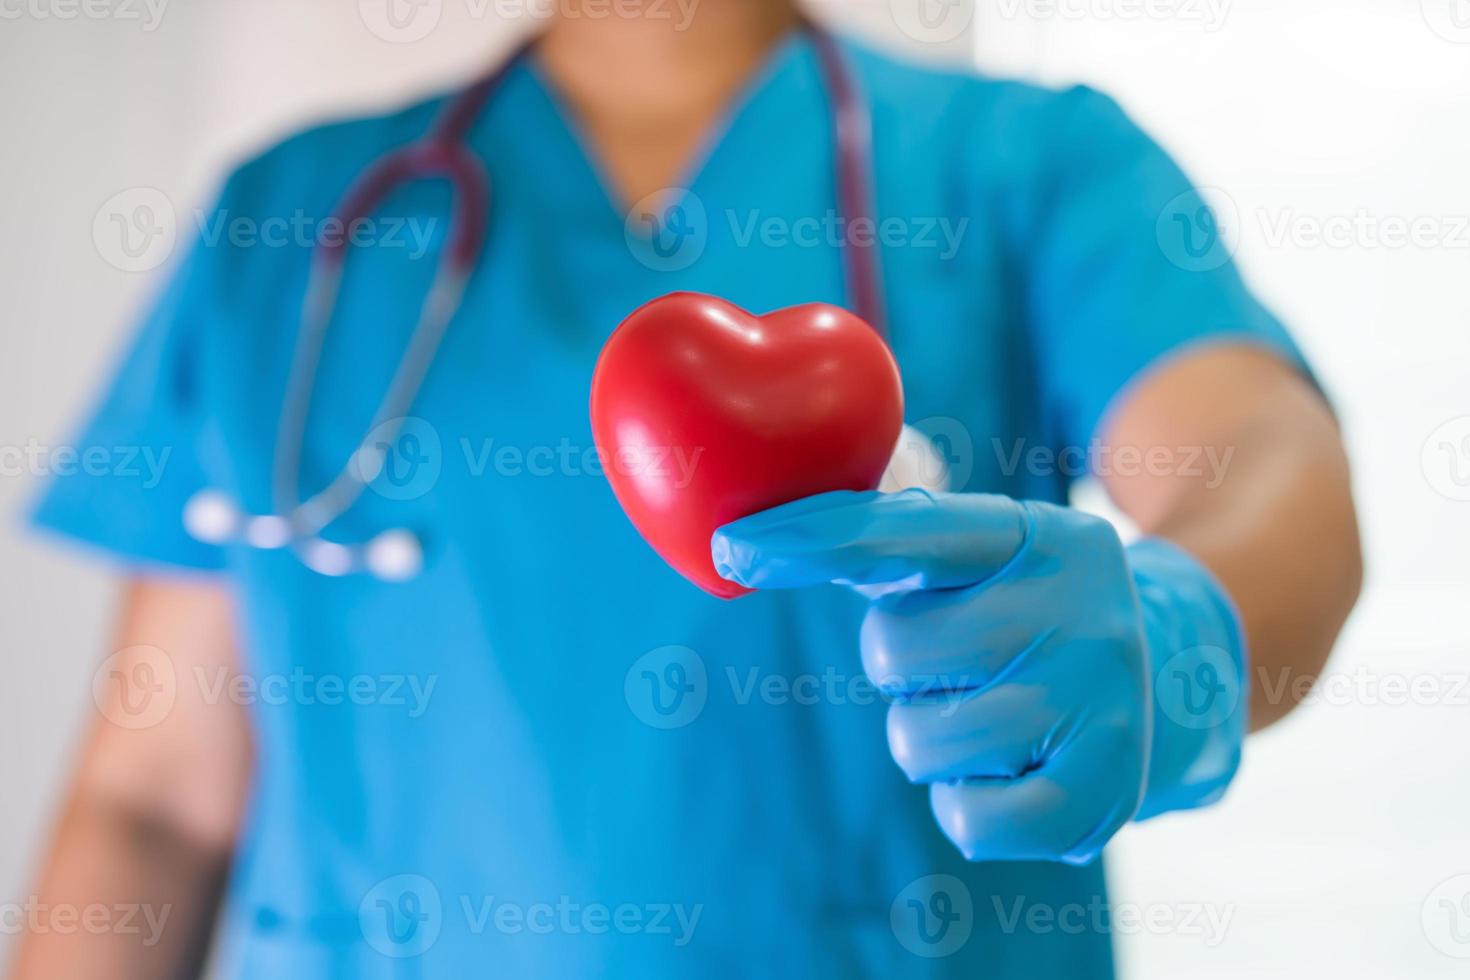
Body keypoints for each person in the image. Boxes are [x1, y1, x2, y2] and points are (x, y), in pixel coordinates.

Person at [11, 1, 1361, 977]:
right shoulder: (292, 219)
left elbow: (1264, 459)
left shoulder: (1023, 164)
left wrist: (1181, 623)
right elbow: (155, 800)